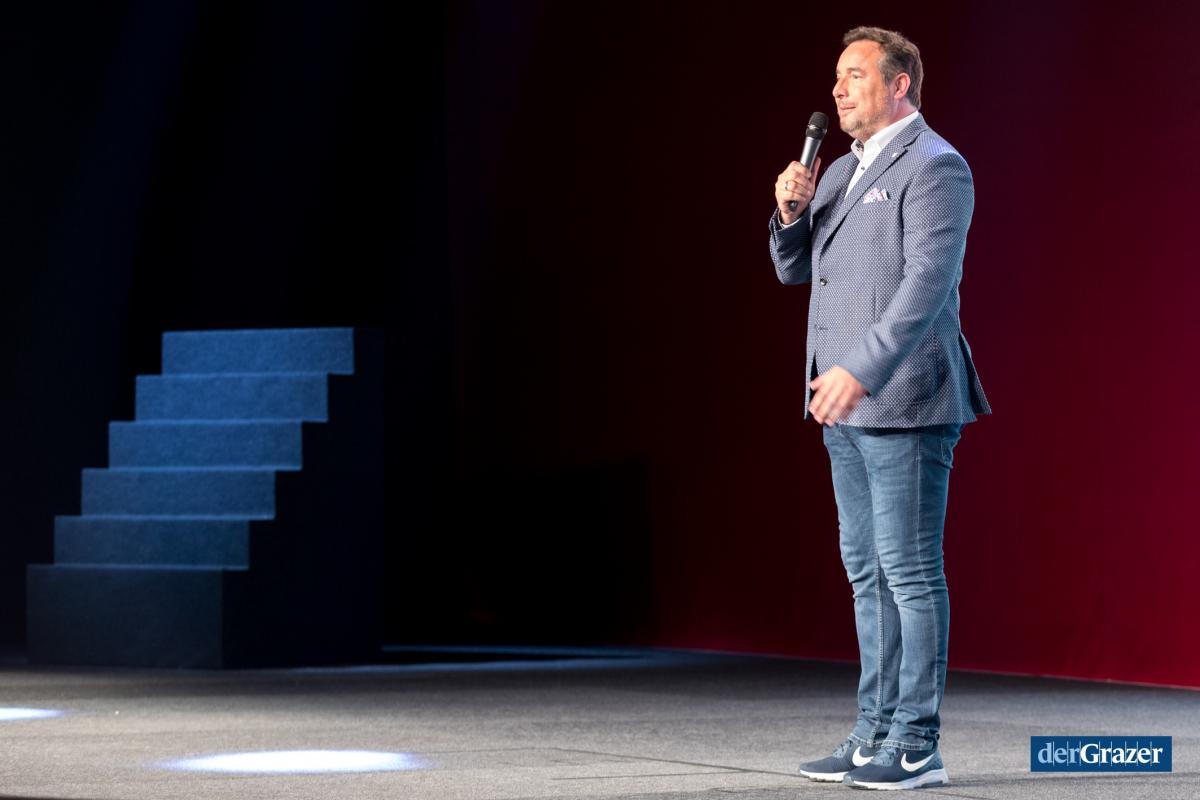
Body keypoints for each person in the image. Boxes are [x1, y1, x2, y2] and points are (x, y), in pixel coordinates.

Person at [768, 26, 991, 790]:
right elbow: (797, 272)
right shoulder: (837, 172)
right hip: (842, 407)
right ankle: (872, 734)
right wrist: (790, 215)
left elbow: (925, 287)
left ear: (899, 86)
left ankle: (917, 743)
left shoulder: (936, 165)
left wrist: (859, 371)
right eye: (836, 76)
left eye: (855, 75)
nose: (838, 89)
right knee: (867, 573)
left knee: (909, 573)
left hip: (904, 399)